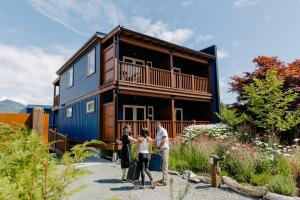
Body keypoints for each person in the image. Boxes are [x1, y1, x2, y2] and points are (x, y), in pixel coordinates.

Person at [155, 121, 169, 186]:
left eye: (156, 125)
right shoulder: (158, 132)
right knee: (162, 165)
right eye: (155, 125)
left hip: (164, 149)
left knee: (165, 164)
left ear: (159, 124)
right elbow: (156, 140)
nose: (155, 126)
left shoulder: (163, 130)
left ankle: (165, 181)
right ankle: (163, 179)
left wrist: (159, 147)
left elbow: (164, 140)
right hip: (160, 149)